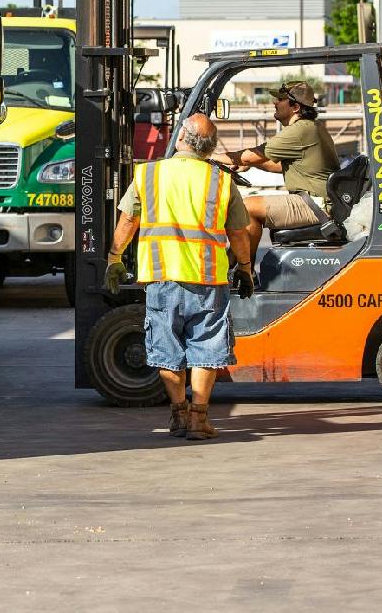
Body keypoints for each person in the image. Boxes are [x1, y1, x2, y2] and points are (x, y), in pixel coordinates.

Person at [105, 113, 254, 441]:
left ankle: (178, 415)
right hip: (208, 279)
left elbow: (128, 221)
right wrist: (244, 267)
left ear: (182, 138)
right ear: (209, 146)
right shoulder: (220, 180)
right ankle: (198, 419)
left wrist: (114, 259)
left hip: (163, 277)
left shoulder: (149, 175)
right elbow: (239, 233)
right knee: (207, 348)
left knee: (166, 348)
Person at [215, 80, 339, 249]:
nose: (275, 102)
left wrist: (209, 155)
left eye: (280, 99)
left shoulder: (300, 130)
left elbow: (248, 156)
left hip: (314, 204)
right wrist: (255, 164)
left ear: (295, 107)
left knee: (246, 208)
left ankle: (244, 271)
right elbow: (284, 166)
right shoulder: (312, 127)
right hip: (317, 200)